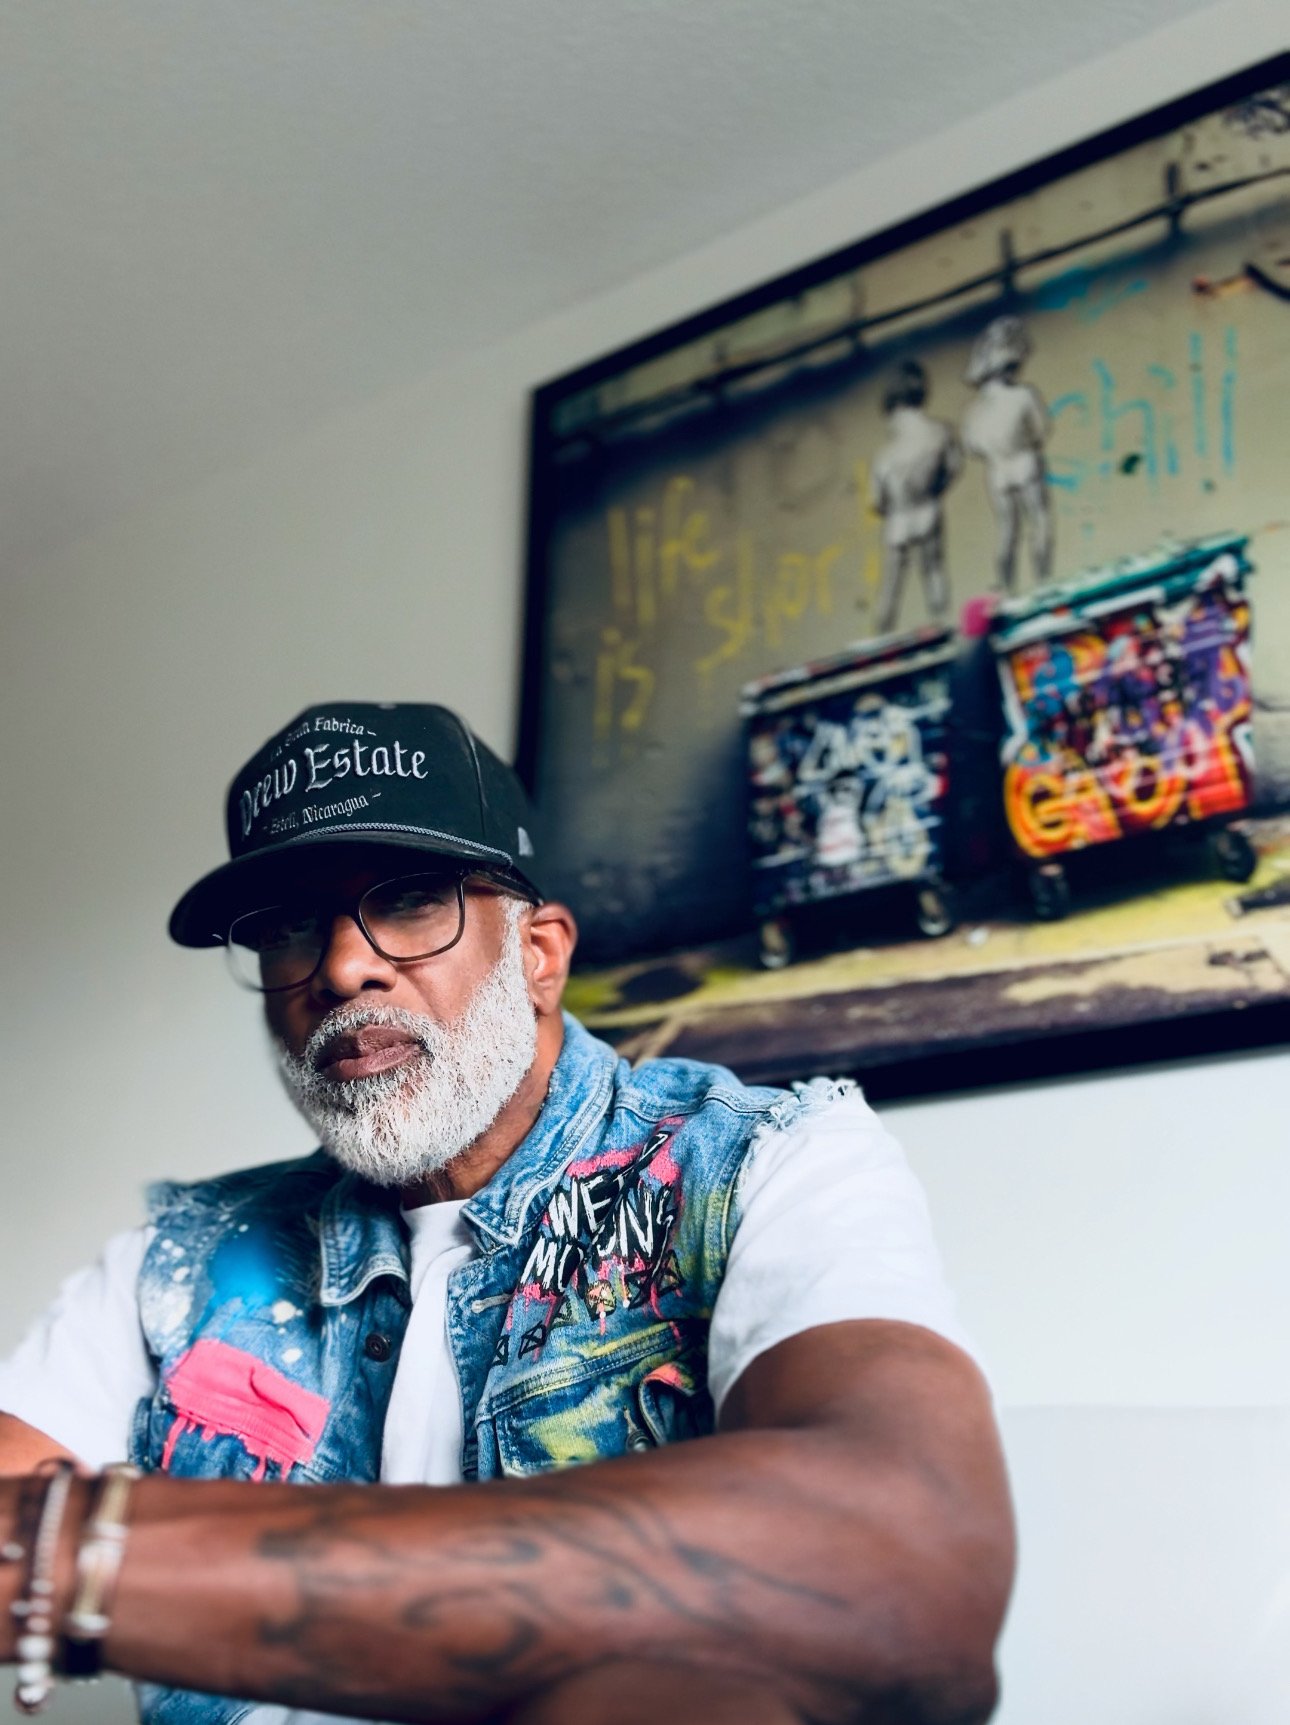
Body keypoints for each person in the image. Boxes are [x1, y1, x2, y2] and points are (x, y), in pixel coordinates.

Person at [0, 702, 1014, 1725]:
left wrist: (78, 1555)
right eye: (286, 928)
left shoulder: (764, 1164)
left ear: (539, 952)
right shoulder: (182, 1264)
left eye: (407, 901)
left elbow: (908, 1567)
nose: (343, 967)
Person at [961, 315, 1054, 591]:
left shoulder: (973, 412)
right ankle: (1043, 583)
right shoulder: (1023, 396)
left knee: (1007, 532)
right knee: (1039, 522)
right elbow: (1040, 431)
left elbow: (972, 447)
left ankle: (1008, 589)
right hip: (1024, 462)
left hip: (997, 471)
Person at [869, 359, 963, 634]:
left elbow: (877, 502)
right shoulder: (939, 432)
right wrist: (934, 489)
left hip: (900, 517)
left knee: (892, 583)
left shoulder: (885, 456)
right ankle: (941, 623)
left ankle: (882, 633)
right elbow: (954, 467)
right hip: (926, 509)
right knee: (933, 570)